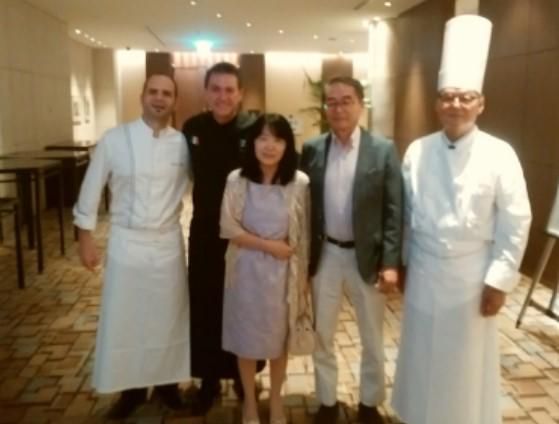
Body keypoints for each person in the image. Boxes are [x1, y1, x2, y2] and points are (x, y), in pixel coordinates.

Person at [391, 15, 532, 424]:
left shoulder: (500, 153)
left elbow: (516, 219)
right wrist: (402, 264)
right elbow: (405, 214)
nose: (455, 105)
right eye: (448, 97)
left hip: (472, 277)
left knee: (464, 364)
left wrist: (499, 281)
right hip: (423, 268)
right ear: (437, 103)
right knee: (421, 355)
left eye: (465, 97)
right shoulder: (417, 150)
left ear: (480, 104)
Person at [73, 73, 190, 419]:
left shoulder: (182, 145)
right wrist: (85, 236)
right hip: (127, 242)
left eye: (166, 93)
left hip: (167, 243)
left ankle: (168, 385)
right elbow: (91, 187)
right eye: (153, 92)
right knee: (127, 319)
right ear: (142, 96)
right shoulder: (115, 139)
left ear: (175, 101)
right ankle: (131, 390)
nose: (159, 98)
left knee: (168, 318)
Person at [300, 76, 403, 424]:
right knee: (323, 334)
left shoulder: (382, 150)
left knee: (372, 337)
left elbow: (394, 210)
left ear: (360, 105)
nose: (339, 108)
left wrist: (391, 262)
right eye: (332, 102)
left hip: (368, 258)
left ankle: (369, 403)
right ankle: (327, 401)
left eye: (346, 101)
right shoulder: (312, 149)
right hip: (326, 255)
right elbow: (303, 205)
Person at [220, 113, 310, 424]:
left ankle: (275, 402)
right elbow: (228, 227)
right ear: (252, 143)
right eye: (263, 138)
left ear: (288, 145)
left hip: (283, 276)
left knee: (278, 342)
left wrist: (303, 280)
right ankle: (249, 402)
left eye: (278, 139)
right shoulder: (237, 180)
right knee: (246, 341)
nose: (269, 146)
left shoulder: (299, 183)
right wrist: (270, 246)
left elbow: (304, 236)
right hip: (244, 272)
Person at [181, 62, 260, 414]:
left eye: (229, 90)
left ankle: (245, 378)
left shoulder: (255, 129)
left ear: (240, 94)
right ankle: (208, 382)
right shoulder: (192, 128)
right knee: (206, 307)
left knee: (245, 307)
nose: (222, 96)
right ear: (206, 92)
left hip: (246, 234)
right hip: (204, 233)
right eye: (215, 89)